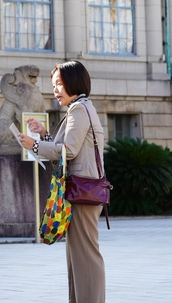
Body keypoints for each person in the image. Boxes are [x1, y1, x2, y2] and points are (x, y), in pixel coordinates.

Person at [17, 60, 106, 303]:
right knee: (78, 256)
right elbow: (65, 148)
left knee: (85, 255)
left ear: (73, 82)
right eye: (54, 84)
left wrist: (34, 145)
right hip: (81, 190)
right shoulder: (79, 108)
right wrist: (43, 134)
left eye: (59, 84)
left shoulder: (79, 109)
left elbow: (67, 151)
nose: (55, 90)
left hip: (83, 192)